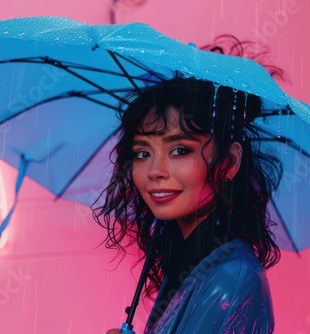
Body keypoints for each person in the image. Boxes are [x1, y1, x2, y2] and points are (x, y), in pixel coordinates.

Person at [94, 70, 283, 333]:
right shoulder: (185, 258)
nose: (154, 170)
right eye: (142, 152)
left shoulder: (232, 279)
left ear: (229, 162)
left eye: (180, 150)